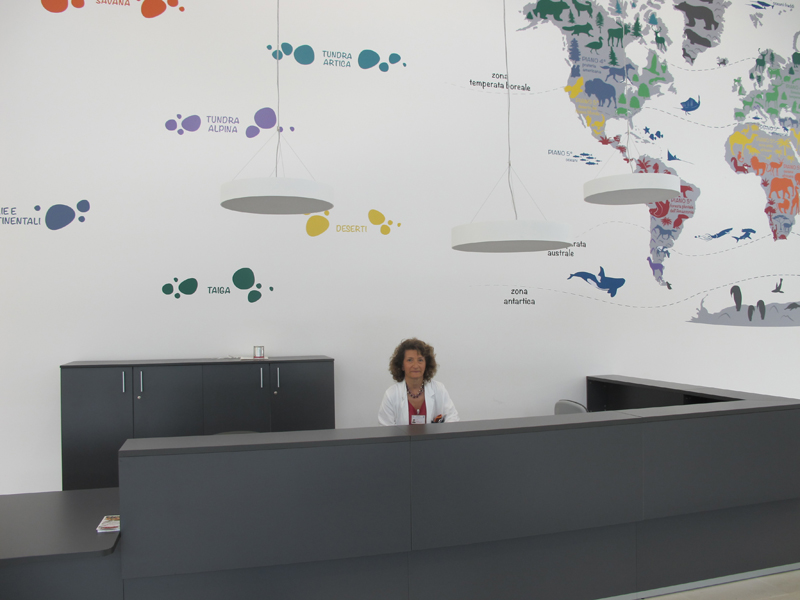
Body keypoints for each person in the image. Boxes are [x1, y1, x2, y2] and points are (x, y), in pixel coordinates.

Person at [378, 338, 460, 426]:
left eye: (420, 360)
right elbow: (385, 429)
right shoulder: (391, 395)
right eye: (410, 360)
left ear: (426, 364)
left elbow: (453, 418)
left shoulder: (439, 389)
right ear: (402, 366)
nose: (416, 365)